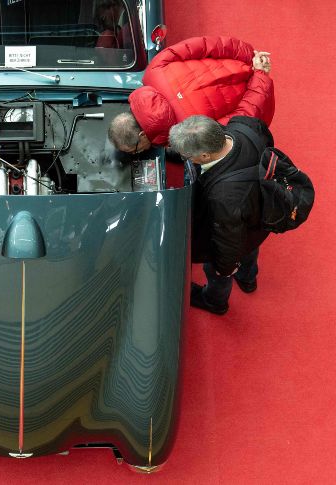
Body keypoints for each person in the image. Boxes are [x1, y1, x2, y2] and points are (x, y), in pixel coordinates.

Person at [167, 114, 274, 315]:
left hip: (237, 229)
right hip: (259, 220)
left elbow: (228, 239)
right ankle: (248, 279)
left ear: (205, 156)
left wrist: (224, 267)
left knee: (218, 274)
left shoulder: (223, 196)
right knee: (250, 250)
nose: (187, 160)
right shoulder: (244, 125)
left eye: (188, 156)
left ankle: (215, 302)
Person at [108, 36, 273, 153]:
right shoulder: (153, 70)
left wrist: (260, 77)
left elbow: (244, 119)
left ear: (142, 135)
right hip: (252, 74)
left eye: (134, 150)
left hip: (259, 93)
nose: (136, 154)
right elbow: (205, 45)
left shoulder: (190, 132)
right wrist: (250, 56)